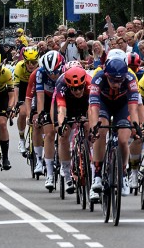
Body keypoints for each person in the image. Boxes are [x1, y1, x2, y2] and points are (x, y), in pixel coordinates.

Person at [88, 58, 141, 203]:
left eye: (120, 81)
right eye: (113, 81)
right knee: (101, 130)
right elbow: (93, 108)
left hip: (122, 106)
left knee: (124, 139)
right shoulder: (98, 79)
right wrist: (94, 128)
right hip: (103, 105)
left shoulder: (130, 79)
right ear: (106, 75)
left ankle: (123, 174)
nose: (117, 84)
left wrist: (135, 125)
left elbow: (133, 107)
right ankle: (97, 175)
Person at [54, 65, 91, 194]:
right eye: (74, 89)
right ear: (69, 86)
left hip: (86, 105)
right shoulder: (61, 85)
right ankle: (66, 172)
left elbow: (94, 107)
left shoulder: (90, 83)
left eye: (80, 87)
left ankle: (89, 154)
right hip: (67, 106)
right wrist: (61, 124)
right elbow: (61, 110)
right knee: (63, 133)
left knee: (88, 127)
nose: (77, 91)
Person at [35, 50, 65, 191]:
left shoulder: (66, 70)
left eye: (55, 72)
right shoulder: (40, 73)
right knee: (49, 133)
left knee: (64, 130)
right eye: (49, 73)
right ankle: (50, 174)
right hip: (48, 100)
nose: (52, 75)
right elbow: (40, 97)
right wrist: (41, 114)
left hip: (64, 100)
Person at [13, 46, 39, 154]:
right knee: (23, 113)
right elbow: (16, 88)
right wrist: (16, 104)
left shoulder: (41, 66)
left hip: (37, 86)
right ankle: (21, 139)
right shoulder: (19, 66)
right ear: (24, 60)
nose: (31, 65)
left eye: (33, 62)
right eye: (28, 62)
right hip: (24, 87)